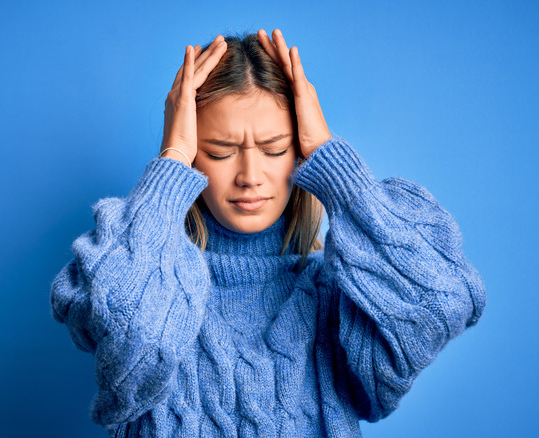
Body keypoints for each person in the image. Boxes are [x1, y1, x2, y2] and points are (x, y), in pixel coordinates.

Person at [50, 28, 486, 438]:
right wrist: (171, 159)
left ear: (298, 154)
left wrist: (334, 165)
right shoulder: (142, 276)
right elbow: (135, 340)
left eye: (275, 149)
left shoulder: (336, 296)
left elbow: (441, 302)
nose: (250, 176)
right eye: (220, 153)